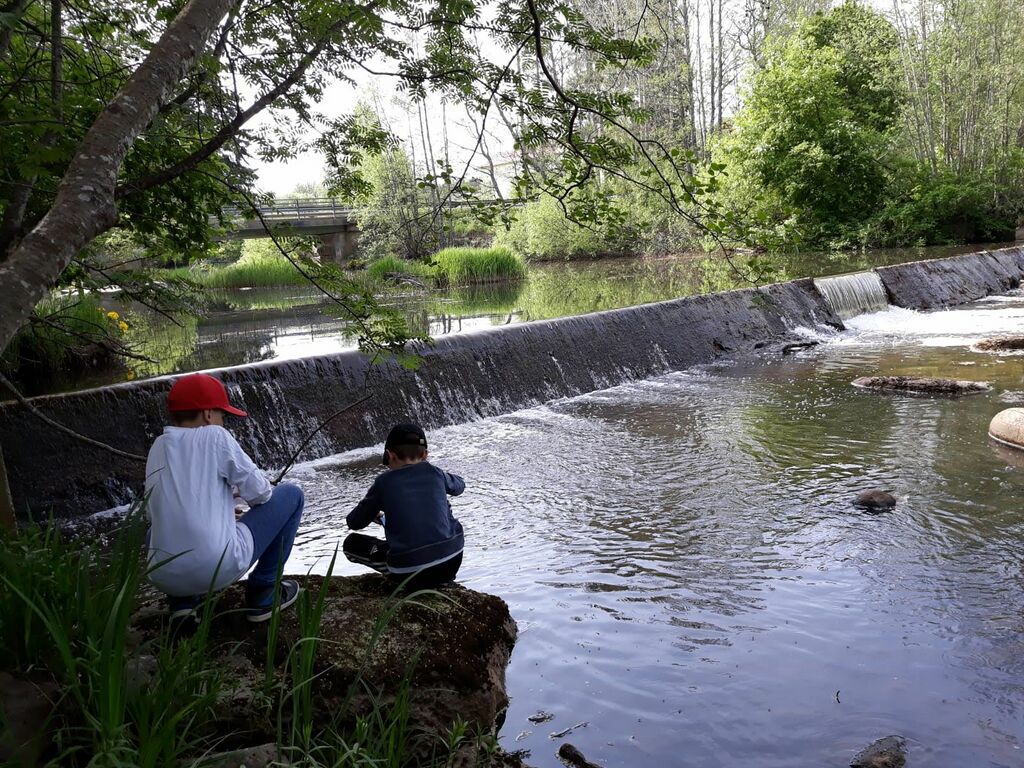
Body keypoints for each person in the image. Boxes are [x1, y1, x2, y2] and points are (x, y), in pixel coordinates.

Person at [145, 373, 303, 625]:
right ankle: (264, 592)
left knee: (160, 526)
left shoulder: (158, 446)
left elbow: (154, 514)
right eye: (223, 416)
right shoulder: (215, 436)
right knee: (292, 494)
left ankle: (182, 604)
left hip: (163, 574)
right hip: (217, 567)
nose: (224, 422)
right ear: (208, 414)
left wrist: (222, 510)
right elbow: (261, 493)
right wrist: (238, 506)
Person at [343, 423, 464, 590]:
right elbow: (460, 486)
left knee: (351, 544)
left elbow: (354, 522)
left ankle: (403, 580)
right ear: (425, 455)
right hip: (452, 561)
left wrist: (371, 511)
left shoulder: (384, 482)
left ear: (389, 455)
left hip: (410, 572)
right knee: (445, 508)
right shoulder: (435, 473)